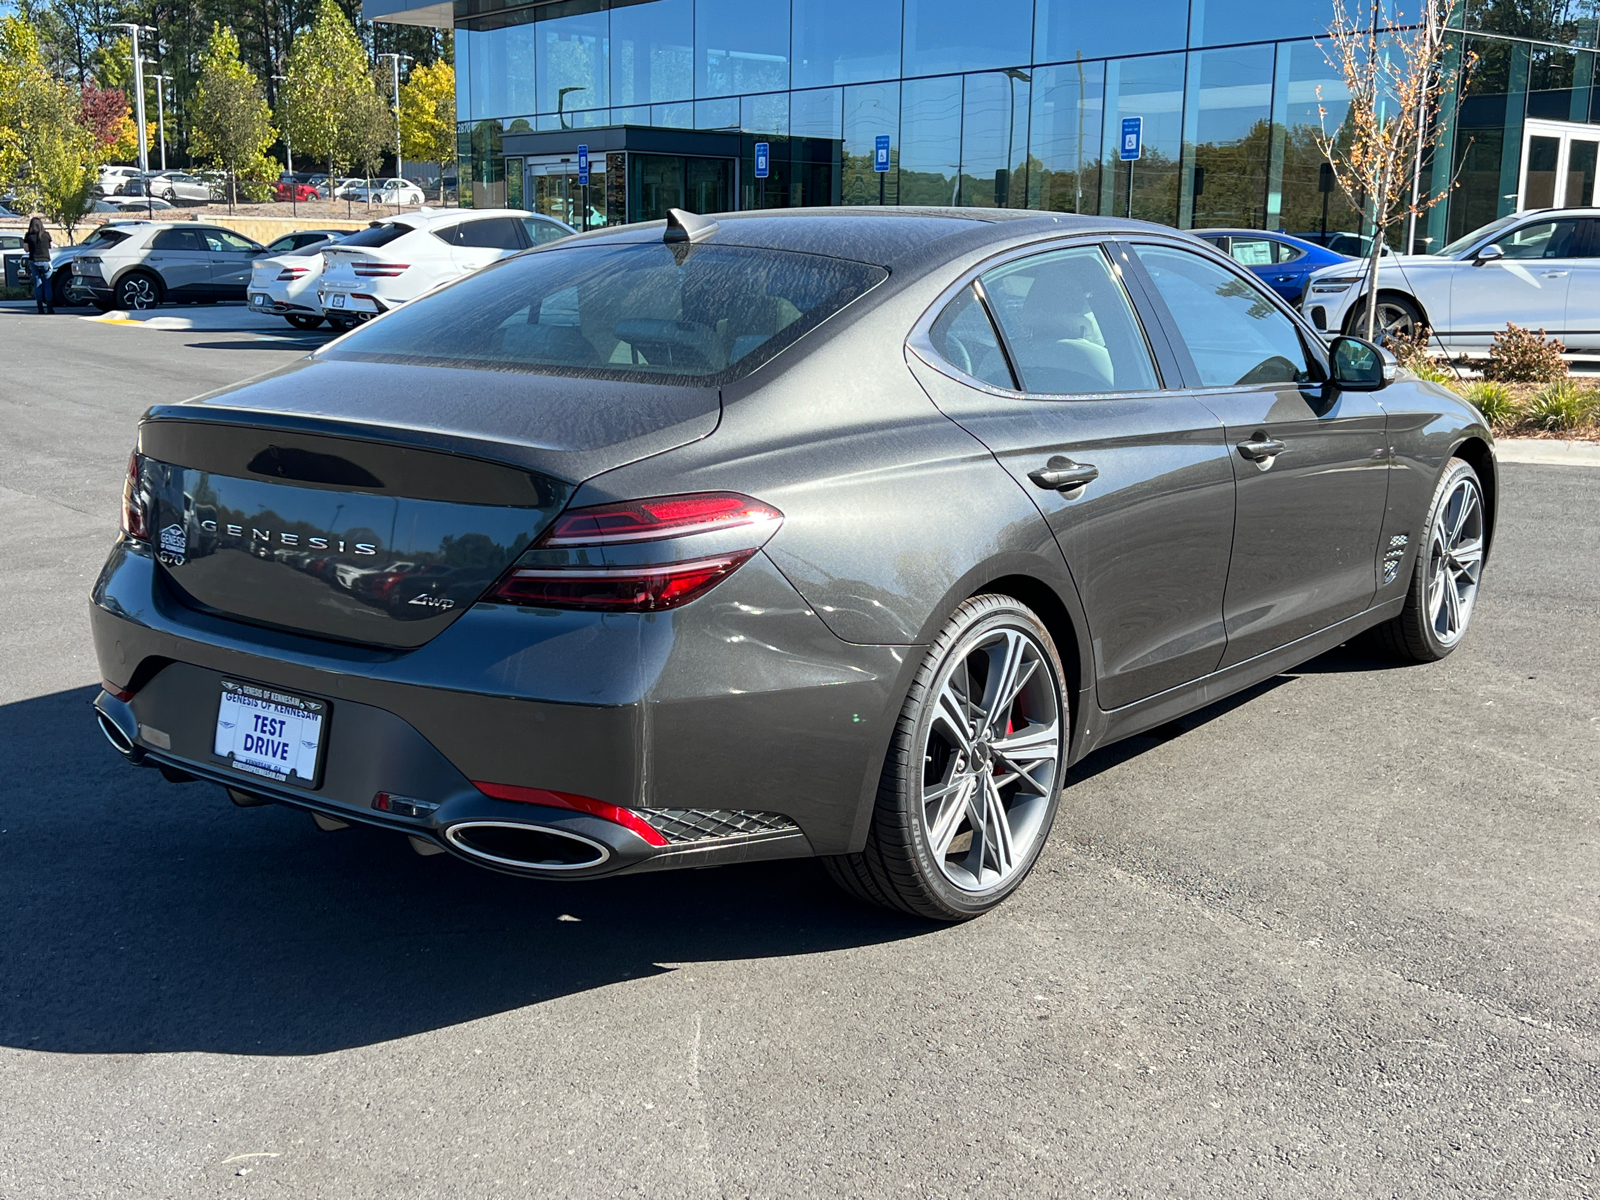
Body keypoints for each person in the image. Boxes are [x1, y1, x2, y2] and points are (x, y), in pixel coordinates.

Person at [23, 215, 52, 314]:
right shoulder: (46, 235)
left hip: (34, 261)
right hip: (45, 261)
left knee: (38, 284)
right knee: (47, 284)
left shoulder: (28, 236)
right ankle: (50, 307)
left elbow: (26, 249)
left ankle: (40, 308)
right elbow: (51, 246)